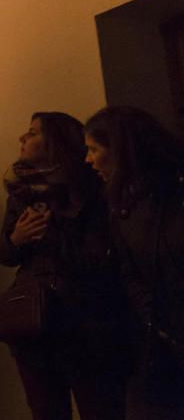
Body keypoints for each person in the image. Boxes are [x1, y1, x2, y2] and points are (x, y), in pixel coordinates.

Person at [0, 112, 131, 420]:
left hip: (85, 322)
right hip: (35, 323)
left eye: (32, 133)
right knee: (46, 409)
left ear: (55, 142)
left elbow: (101, 258)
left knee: (100, 406)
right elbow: (2, 254)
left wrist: (54, 232)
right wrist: (17, 239)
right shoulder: (22, 190)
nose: (22, 139)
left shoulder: (90, 186)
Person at [85, 106, 184, 419]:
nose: (88, 160)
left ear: (121, 149)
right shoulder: (122, 206)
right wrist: (158, 324)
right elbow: (130, 273)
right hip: (164, 343)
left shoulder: (172, 197)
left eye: (93, 149)